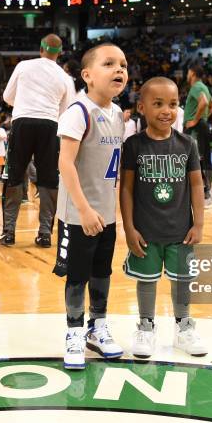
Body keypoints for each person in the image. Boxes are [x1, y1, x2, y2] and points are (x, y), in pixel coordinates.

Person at [120, 77, 207, 359]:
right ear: (142, 107)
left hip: (180, 230)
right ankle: (146, 326)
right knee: (146, 280)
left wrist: (199, 223)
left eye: (172, 104)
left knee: (182, 279)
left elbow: (196, 185)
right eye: (158, 104)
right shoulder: (133, 145)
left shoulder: (187, 144)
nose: (166, 110)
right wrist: (129, 228)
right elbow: (126, 189)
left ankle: (183, 327)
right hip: (145, 231)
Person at [53, 43, 127, 370]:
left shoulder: (117, 115)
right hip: (79, 215)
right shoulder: (78, 111)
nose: (119, 69)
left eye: (123, 64)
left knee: (102, 272)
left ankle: (97, 327)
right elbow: (65, 163)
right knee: (77, 275)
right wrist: (83, 209)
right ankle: (73, 332)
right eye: (109, 63)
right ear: (87, 75)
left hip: (106, 213)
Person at [0, 34, 76, 248]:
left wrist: (24, 105)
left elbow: (7, 97)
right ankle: (44, 234)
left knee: (15, 175)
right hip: (50, 125)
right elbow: (66, 109)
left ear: (40, 48)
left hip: (22, 122)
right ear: (59, 53)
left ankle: (8, 232)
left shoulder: (24, 66)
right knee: (48, 179)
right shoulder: (64, 77)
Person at [183, 65, 212, 208]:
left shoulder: (196, 86)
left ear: (193, 73)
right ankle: (203, 193)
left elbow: (204, 102)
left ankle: (206, 194)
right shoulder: (204, 87)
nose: (187, 74)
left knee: (197, 160)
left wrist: (196, 120)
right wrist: (204, 118)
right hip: (200, 126)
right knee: (200, 159)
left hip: (195, 128)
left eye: (188, 71)